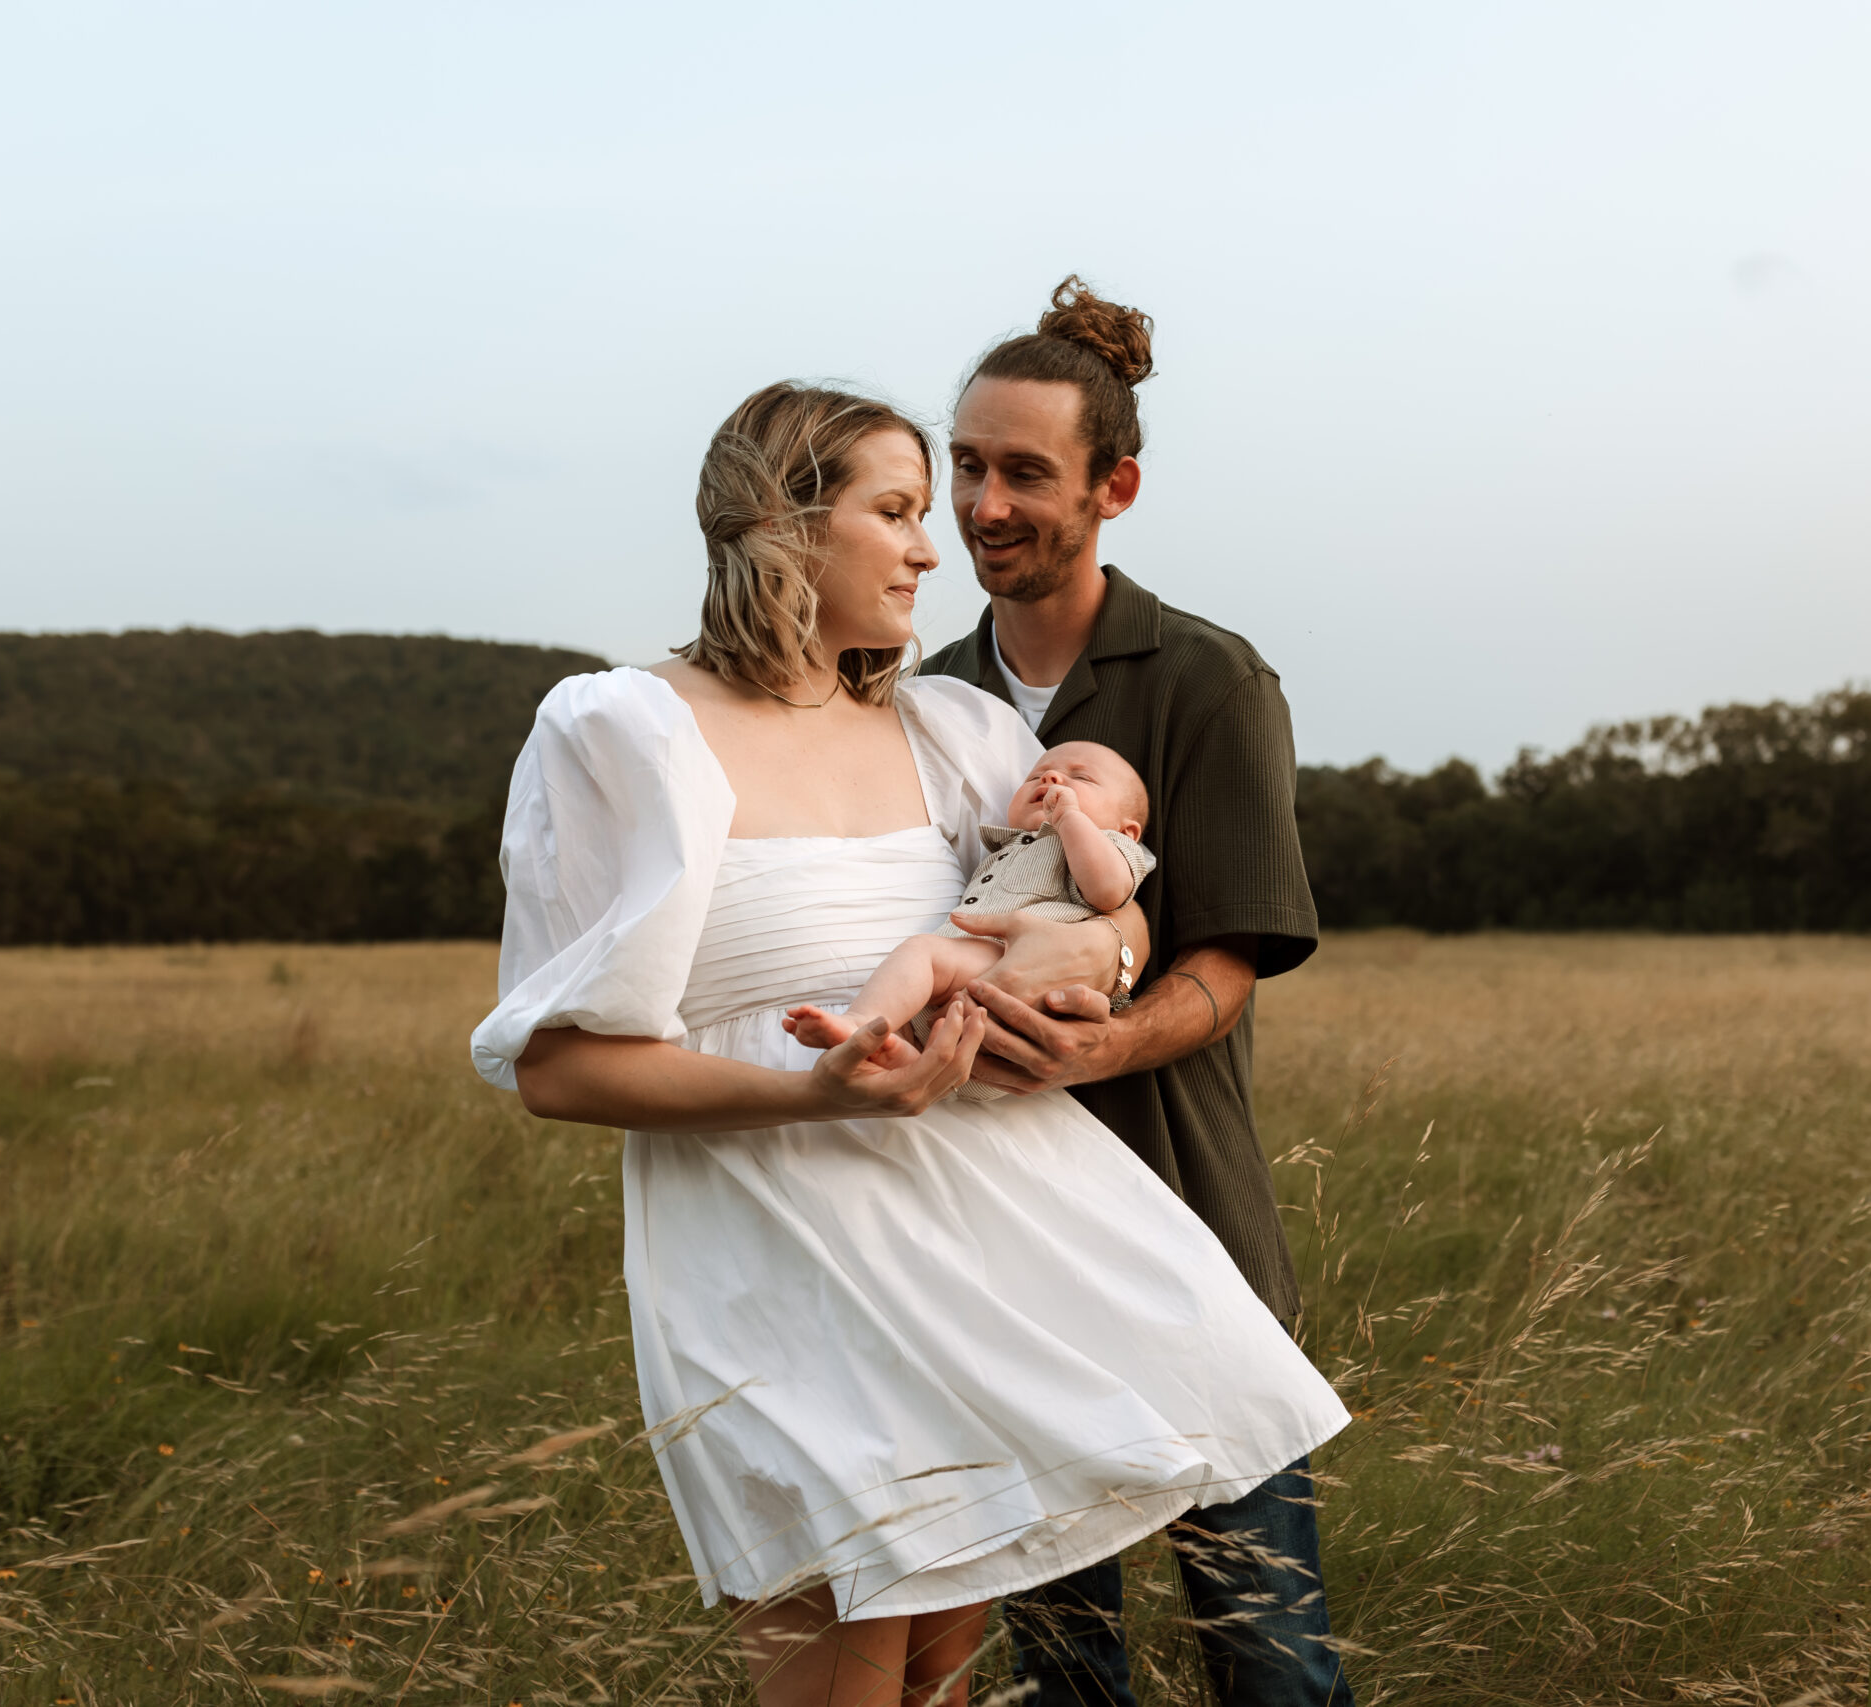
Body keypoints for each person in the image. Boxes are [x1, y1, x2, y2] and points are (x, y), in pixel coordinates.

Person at [469, 381, 1347, 1707]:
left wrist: (1090, 964)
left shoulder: (950, 731)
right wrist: (807, 1086)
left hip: (984, 1256)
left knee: (943, 1679)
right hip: (785, 1270)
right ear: (784, 525)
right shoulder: (624, 733)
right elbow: (557, 1065)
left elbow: (1088, 904)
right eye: (897, 510)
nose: (935, 547)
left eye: (927, 513)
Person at [920, 278, 1355, 1707]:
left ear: (1116, 486)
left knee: (1269, 1657)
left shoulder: (1211, 681)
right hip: (1002, 1252)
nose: (983, 504)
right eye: (966, 465)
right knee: (1061, 1671)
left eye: (1024, 473)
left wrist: (1096, 1042)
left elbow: (1225, 968)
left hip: (1188, 1237)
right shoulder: (916, 700)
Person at [783, 739, 1155, 1076]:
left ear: (1128, 832)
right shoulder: (1004, 851)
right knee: (916, 1005)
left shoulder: (1110, 846)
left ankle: (861, 1022)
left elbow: (1108, 891)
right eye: (1037, 775)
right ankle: (909, 1057)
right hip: (974, 1000)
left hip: (1023, 969)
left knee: (922, 952)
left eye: (1082, 778)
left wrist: (1071, 818)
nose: (1053, 777)